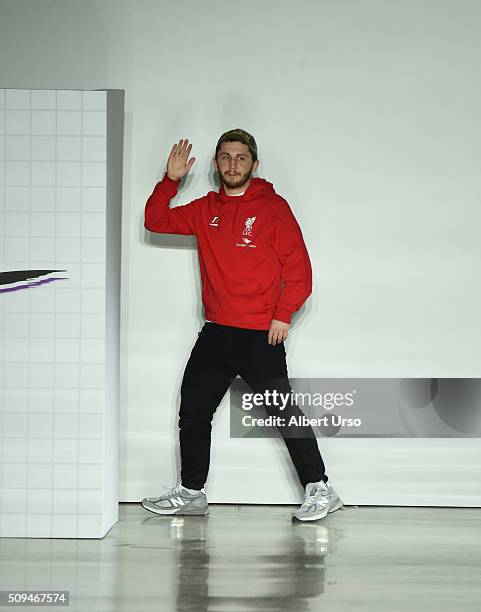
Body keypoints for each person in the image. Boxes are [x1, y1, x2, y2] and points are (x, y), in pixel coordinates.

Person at [141, 128, 342, 521]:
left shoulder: (273, 208)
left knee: (284, 413)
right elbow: (155, 220)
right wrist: (171, 180)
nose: (233, 164)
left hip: (259, 334)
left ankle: (320, 488)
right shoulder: (204, 209)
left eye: (241, 157)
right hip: (216, 332)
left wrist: (283, 313)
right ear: (216, 165)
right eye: (226, 157)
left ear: (254, 164)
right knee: (194, 413)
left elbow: (298, 269)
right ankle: (191, 492)